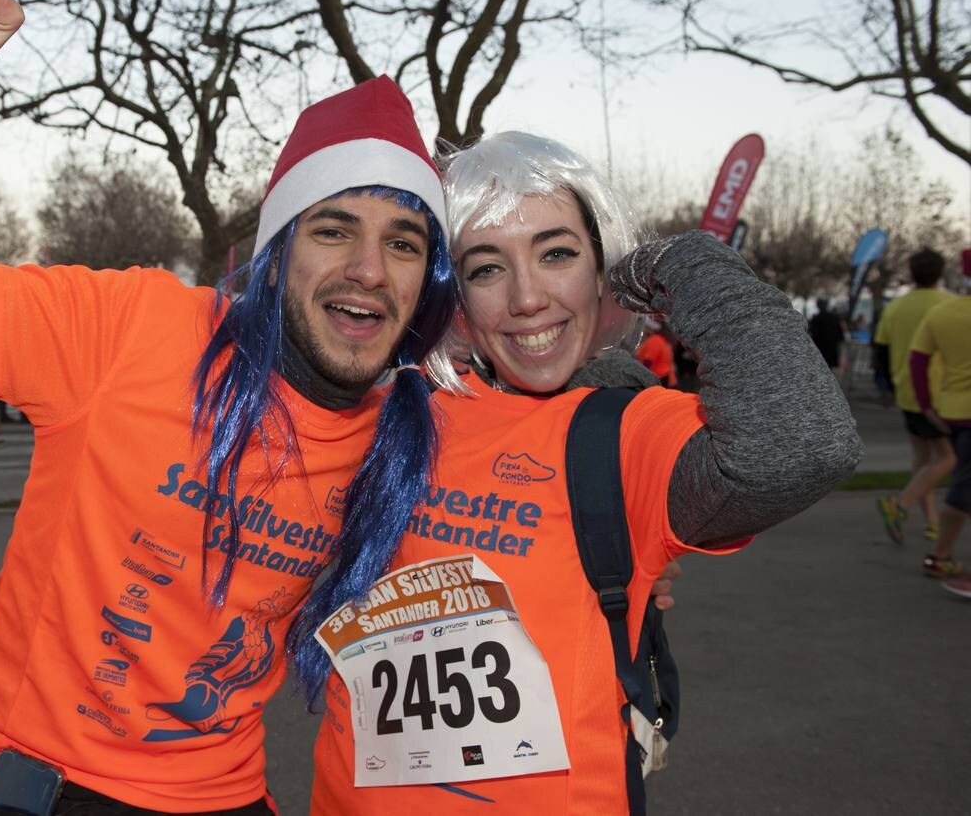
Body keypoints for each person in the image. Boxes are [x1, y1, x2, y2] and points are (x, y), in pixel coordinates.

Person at [0, 0, 456, 813]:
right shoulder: (132, 329)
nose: (369, 269)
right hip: (41, 791)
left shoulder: (406, 440)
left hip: (230, 796)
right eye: (334, 228)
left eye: (404, 242)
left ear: (426, 283)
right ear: (276, 253)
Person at [306, 132, 862, 815]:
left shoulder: (628, 429)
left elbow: (799, 448)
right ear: (451, 294)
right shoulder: (387, 409)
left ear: (602, 265)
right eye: (485, 269)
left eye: (558, 253)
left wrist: (678, 265)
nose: (528, 298)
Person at [874, 248, 954, 543]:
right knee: (949, 458)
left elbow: (880, 351)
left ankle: (932, 523)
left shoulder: (896, 308)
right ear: (940, 273)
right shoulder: (948, 305)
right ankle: (900, 505)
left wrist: (890, 388)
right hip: (937, 396)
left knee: (923, 459)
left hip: (907, 392)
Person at [908, 249, 971, 591]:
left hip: (954, 411)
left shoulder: (943, 313)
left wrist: (927, 405)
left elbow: (918, 360)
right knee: (962, 488)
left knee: (959, 478)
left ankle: (940, 554)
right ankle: (940, 555)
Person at [807, 297, 846, 377]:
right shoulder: (835, 317)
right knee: (829, 368)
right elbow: (840, 334)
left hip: (820, 347)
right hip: (832, 347)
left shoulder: (816, 319)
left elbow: (813, 334)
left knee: (821, 367)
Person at [633, 317, 676, 387]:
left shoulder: (654, 340)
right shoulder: (661, 339)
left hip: (659, 377)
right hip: (664, 377)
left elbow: (648, 361)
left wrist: (641, 377)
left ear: (650, 328)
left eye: (645, 327)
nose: (643, 329)